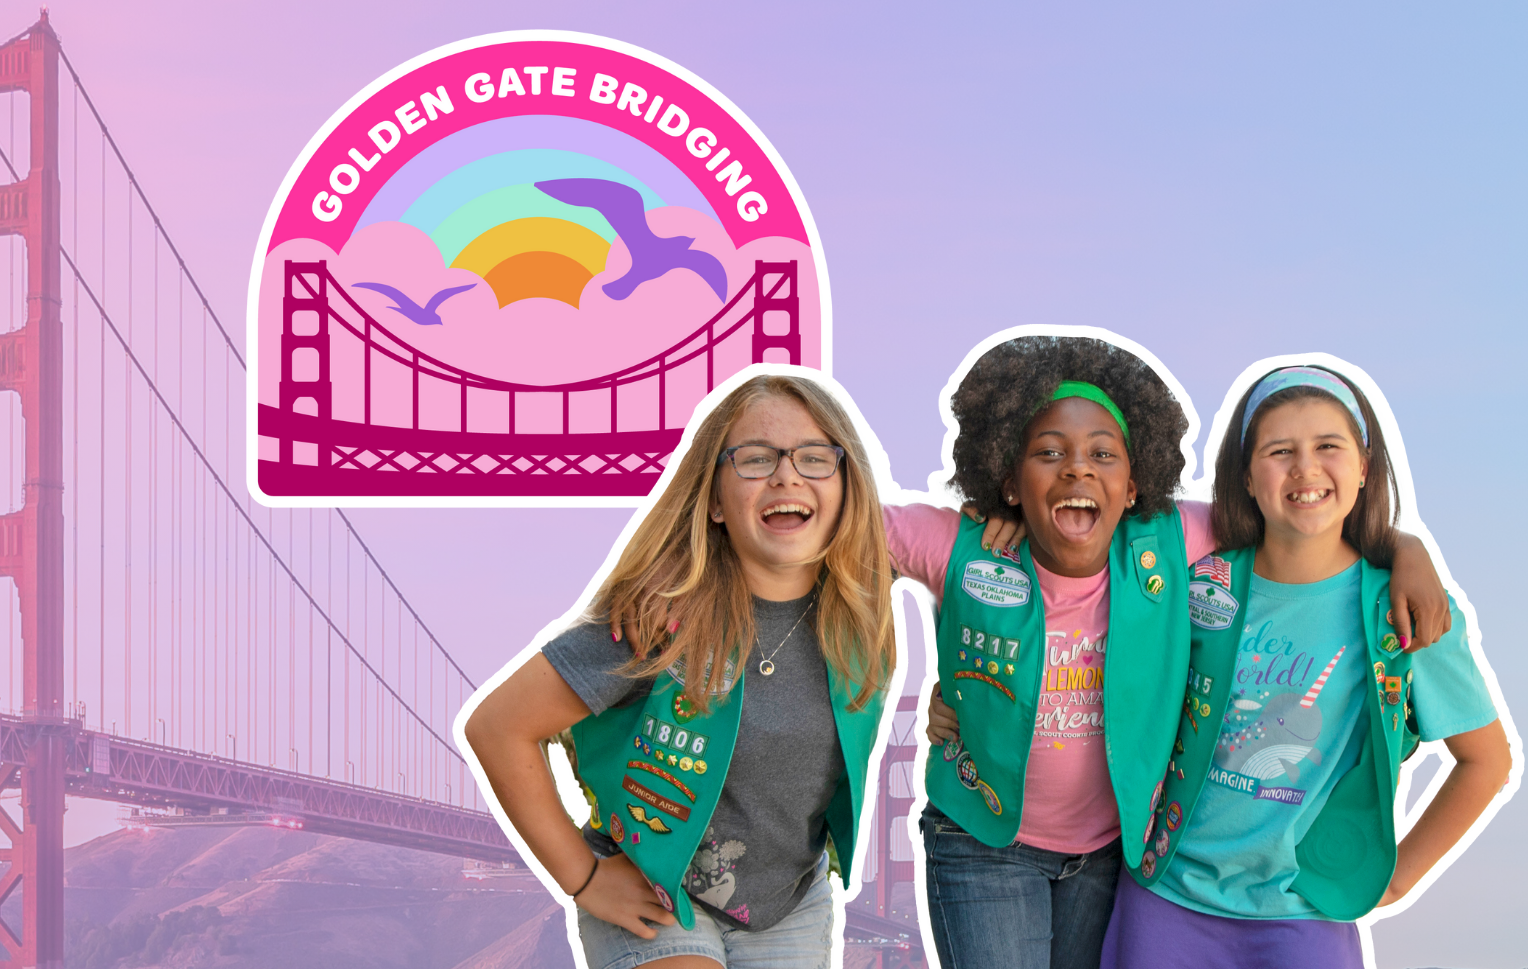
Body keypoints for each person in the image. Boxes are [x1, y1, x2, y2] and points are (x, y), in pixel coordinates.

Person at [901, 335, 1449, 969]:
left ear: (1135, 484)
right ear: (1009, 474)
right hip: (999, 842)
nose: (1077, 468)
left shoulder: (1176, 541)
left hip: (1110, 852)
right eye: (1048, 454)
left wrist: (1406, 547)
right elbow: (859, 532)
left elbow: (1298, 520)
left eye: (1102, 454)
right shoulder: (973, 546)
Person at [464, 372, 897, 969]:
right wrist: (584, 877)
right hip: (658, 890)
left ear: (847, 489)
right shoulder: (659, 618)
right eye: (754, 458)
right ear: (715, 500)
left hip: (788, 904)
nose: (787, 474)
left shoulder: (860, 616)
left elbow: (989, 547)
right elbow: (498, 727)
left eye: (815, 457)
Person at [1099, 364, 1513, 966]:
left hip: (1304, 911)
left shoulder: (1400, 609)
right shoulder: (1196, 582)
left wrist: (1396, 881)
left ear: (1365, 466)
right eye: (1279, 450)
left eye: (1328, 446)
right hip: (1167, 896)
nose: (1305, 468)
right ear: (1246, 474)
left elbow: (1487, 760)